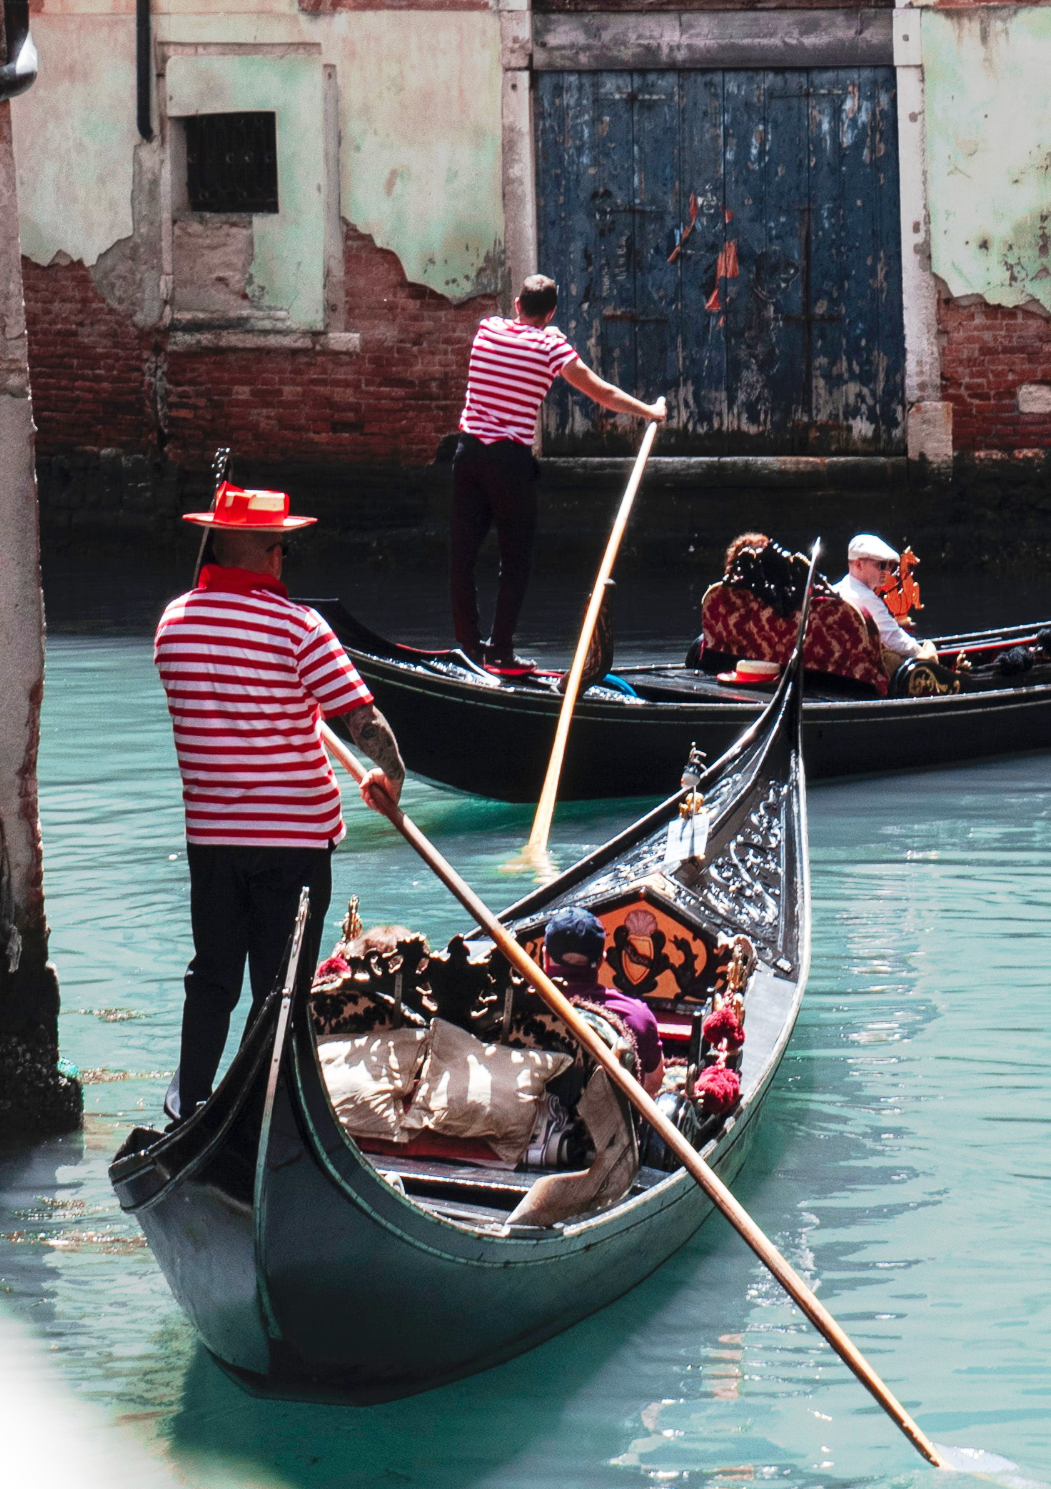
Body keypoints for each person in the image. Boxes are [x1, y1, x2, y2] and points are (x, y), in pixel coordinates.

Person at [154, 485, 407, 1121]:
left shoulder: (173, 626)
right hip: (293, 841)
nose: (284, 560)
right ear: (268, 555)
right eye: (281, 548)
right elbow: (361, 719)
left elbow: (224, 689)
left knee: (212, 974)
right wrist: (392, 776)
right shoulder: (300, 628)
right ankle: (257, 1107)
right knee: (281, 988)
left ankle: (191, 1100)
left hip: (213, 840)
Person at [452, 274, 667, 668]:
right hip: (507, 462)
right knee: (515, 560)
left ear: (517, 305)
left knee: (462, 554)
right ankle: (499, 652)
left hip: (466, 454)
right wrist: (650, 411)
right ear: (551, 312)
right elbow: (602, 392)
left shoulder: (487, 329)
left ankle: (467, 646)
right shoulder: (552, 346)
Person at [542, 906, 664, 1096]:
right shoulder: (636, 1017)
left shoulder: (514, 1006)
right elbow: (653, 1083)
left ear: (544, 957)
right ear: (602, 961)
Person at [834, 533, 936, 666]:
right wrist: (924, 653)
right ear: (859, 564)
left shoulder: (838, 589)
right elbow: (893, 638)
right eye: (881, 565)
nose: (887, 571)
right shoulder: (866, 598)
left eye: (890, 565)